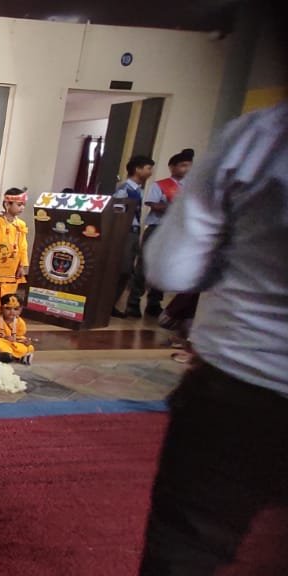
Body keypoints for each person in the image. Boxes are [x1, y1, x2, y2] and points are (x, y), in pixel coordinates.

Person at [139, 100, 288, 575]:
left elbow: (170, 268)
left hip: (238, 384)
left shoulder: (260, 137)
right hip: (237, 380)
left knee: (188, 547)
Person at [135, 149, 194, 318]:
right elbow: (153, 204)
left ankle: (154, 302)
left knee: (164, 266)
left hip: (176, 230)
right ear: (172, 167)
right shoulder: (161, 185)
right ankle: (134, 300)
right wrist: (175, 207)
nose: (186, 169)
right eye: (182, 165)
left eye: (189, 165)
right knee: (144, 265)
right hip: (157, 227)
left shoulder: (191, 187)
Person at [111, 156, 155, 318]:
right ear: (137, 169)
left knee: (127, 269)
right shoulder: (125, 189)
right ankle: (108, 304)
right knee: (122, 269)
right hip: (125, 232)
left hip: (134, 231)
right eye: (148, 168)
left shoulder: (138, 190)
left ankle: (112, 304)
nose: (150, 172)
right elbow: (117, 212)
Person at [0, 293, 34, 364]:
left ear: (20, 310)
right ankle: (11, 356)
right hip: (0, 341)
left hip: (13, 342)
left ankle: (15, 356)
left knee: (29, 347)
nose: (12, 312)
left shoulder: (20, 322)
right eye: (8, 308)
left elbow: (20, 335)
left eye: (16, 309)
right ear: (1, 309)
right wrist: (5, 337)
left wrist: (24, 341)